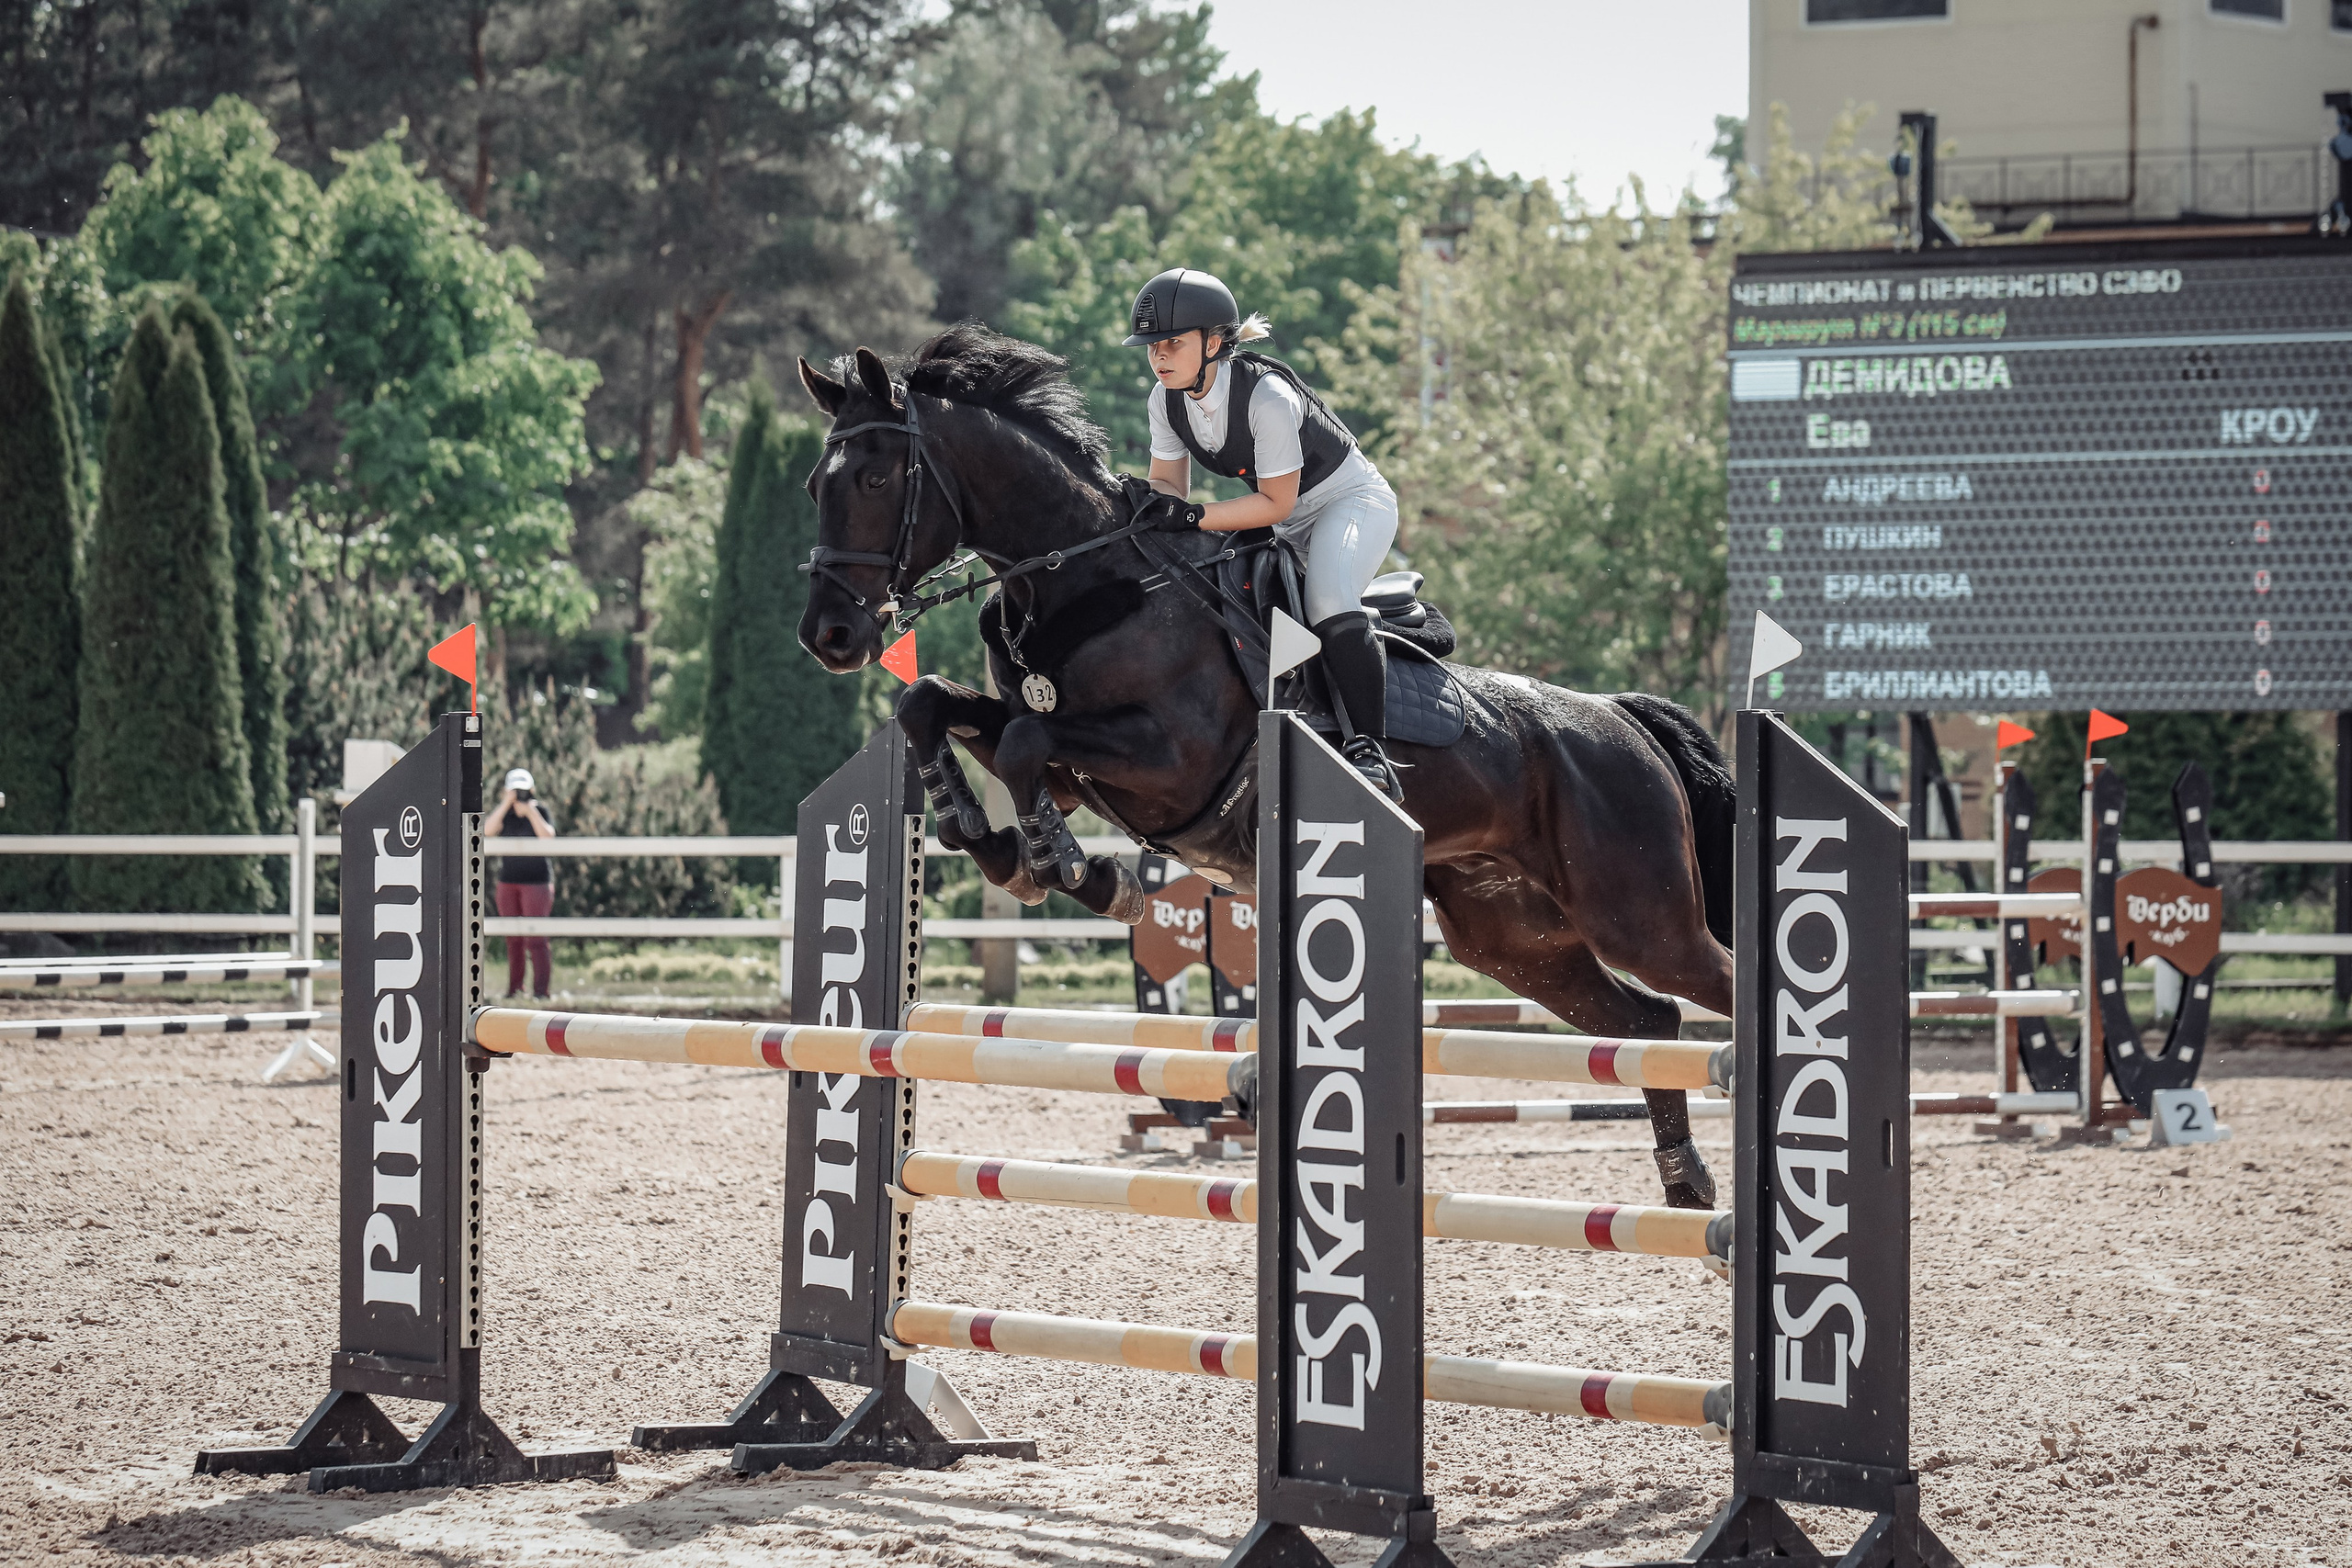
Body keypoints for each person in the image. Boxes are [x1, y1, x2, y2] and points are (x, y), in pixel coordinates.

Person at [1122, 266, 1404, 799]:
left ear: (1213, 342)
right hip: (1280, 519)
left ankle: (1370, 750)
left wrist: (1195, 516)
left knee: (1327, 598)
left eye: (1172, 344)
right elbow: (1169, 487)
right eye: (1152, 346)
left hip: (1349, 504)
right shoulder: (1165, 400)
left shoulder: (1266, 397)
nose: (1159, 357)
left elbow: (1277, 502)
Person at [486, 768, 556, 998]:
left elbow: (548, 838)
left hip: (536, 883)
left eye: (524, 790)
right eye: (515, 790)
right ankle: (515, 989)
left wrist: (531, 812)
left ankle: (541, 992)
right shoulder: (505, 815)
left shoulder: (541, 810)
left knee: (536, 939)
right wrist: (507, 804)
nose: (520, 794)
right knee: (513, 939)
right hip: (509, 882)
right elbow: (487, 831)